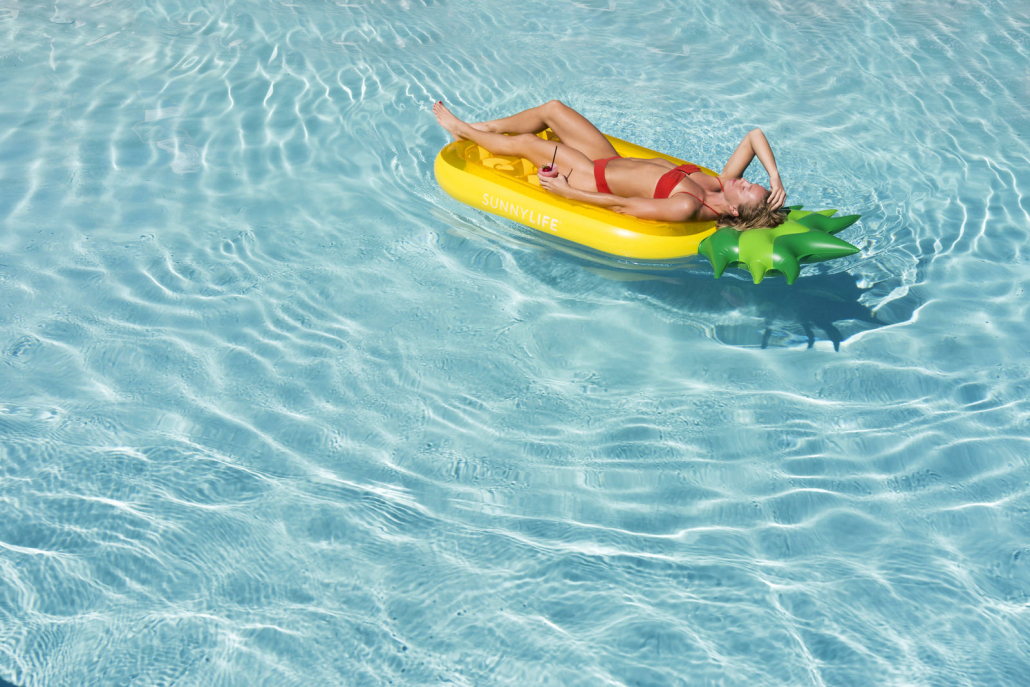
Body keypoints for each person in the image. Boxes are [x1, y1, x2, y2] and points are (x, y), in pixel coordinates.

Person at [433, 100, 787, 230]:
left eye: (745, 188)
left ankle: (461, 129)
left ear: (737, 213)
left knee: (528, 144)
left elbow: (623, 205)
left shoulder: (688, 206)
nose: (740, 181)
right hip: (609, 161)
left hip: (591, 178)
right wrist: (774, 177)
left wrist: (569, 191)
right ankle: (488, 129)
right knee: (553, 110)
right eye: (748, 181)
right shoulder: (720, 184)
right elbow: (753, 136)